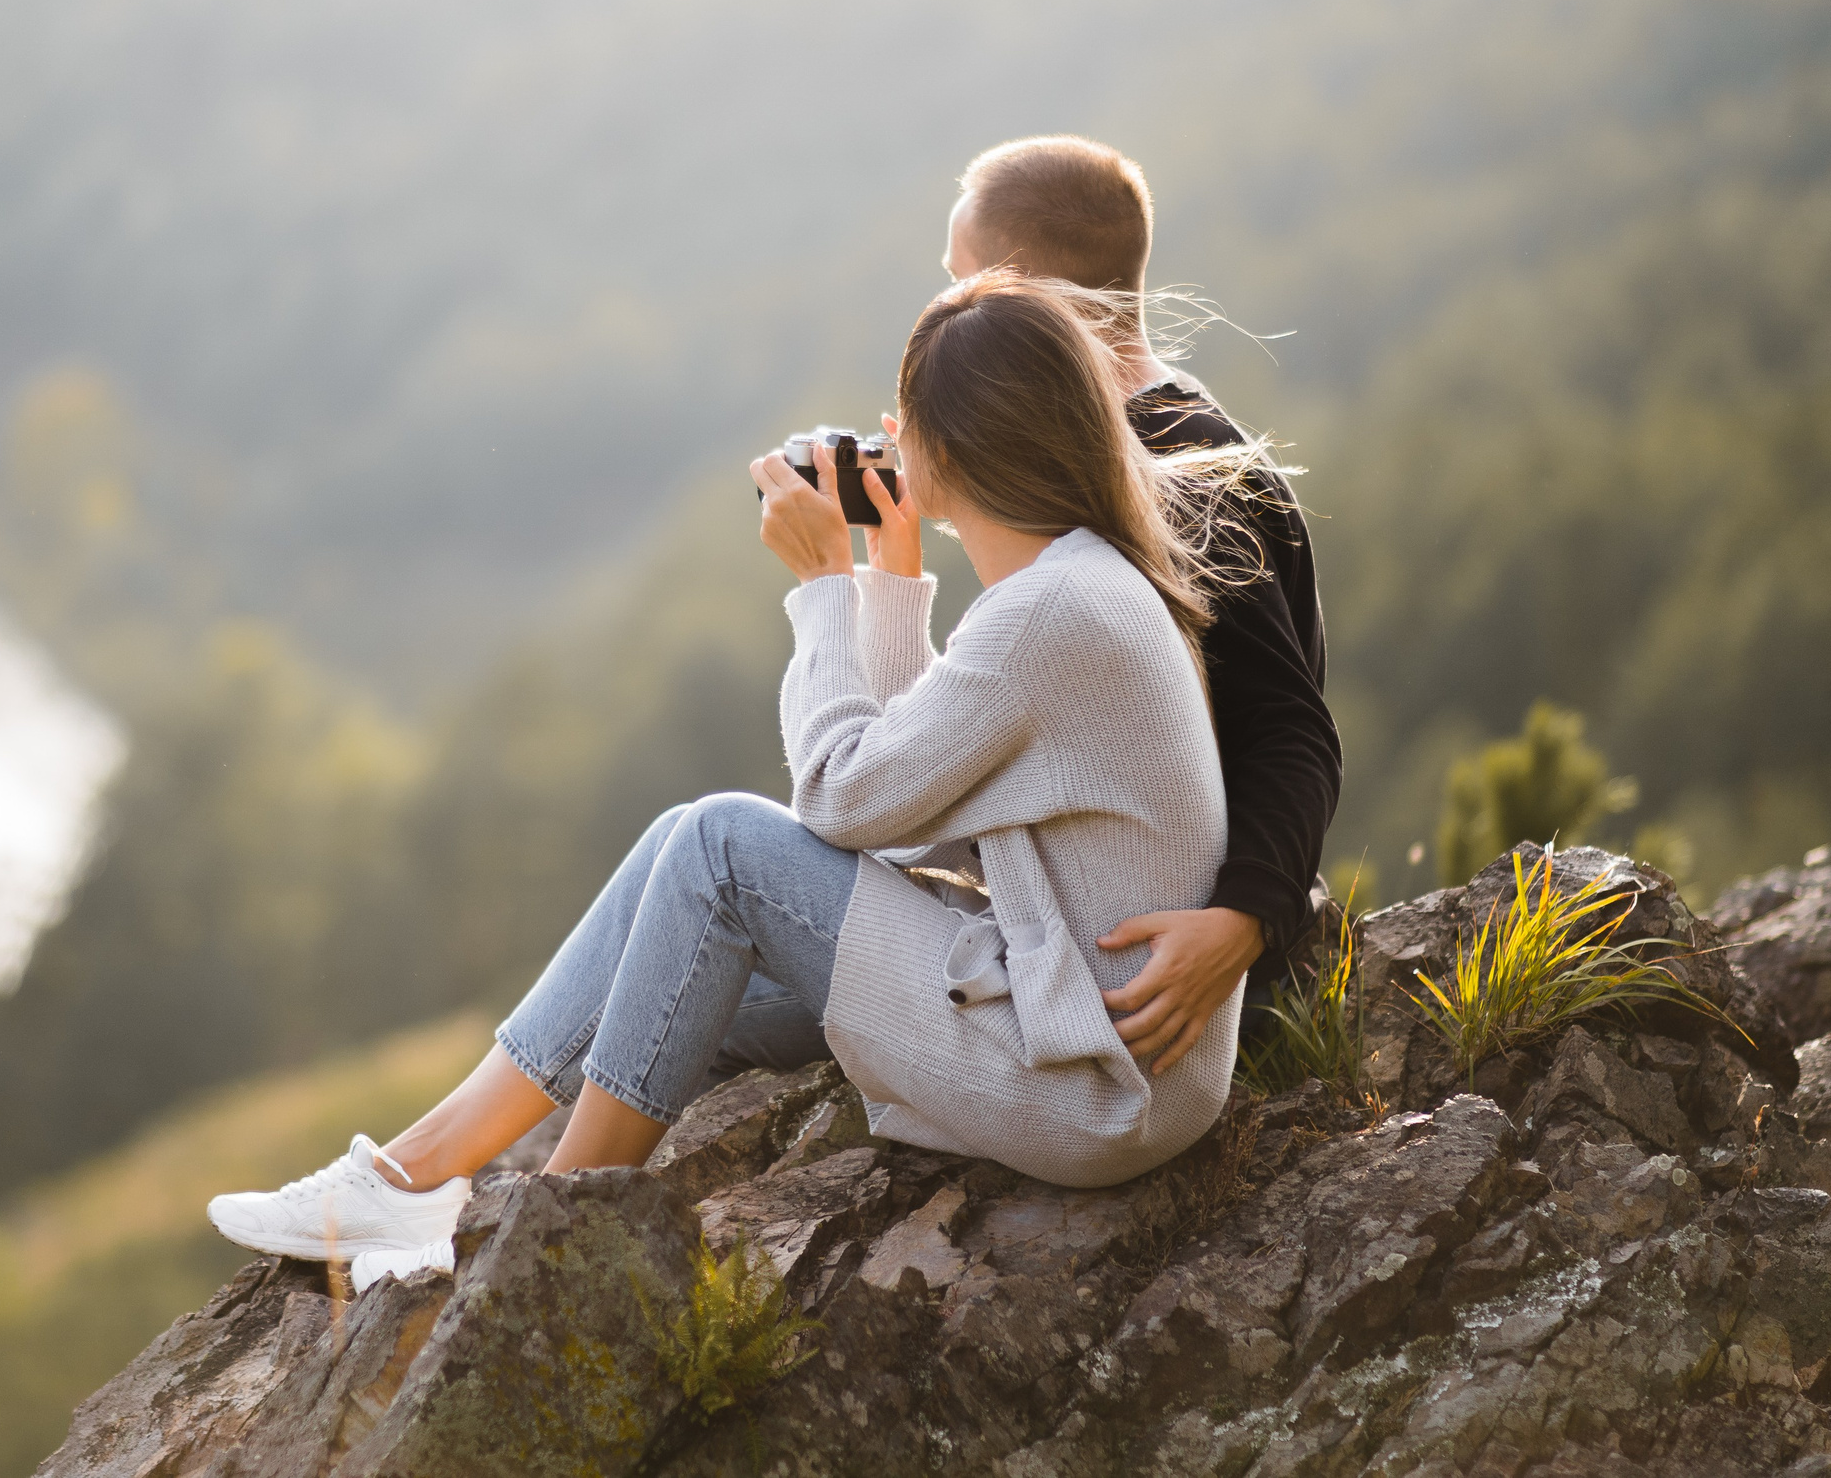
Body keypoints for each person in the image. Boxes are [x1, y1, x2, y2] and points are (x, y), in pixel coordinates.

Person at [205, 271, 1250, 1280]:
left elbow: (839, 797)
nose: (889, 438)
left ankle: (548, 1237)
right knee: (674, 894)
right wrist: (891, 579)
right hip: (1087, 1040)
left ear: (959, 445)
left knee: (718, 849)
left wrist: (825, 590)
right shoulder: (1080, 584)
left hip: (1090, 1087)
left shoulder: (1046, 614)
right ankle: (414, 1174)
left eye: (904, 420)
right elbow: (914, 805)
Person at [941, 134, 1343, 1079]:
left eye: (962, 282)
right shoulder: (1126, 437)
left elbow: (1291, 729)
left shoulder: (1174, 469)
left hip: (1171, 967)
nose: (947, 310)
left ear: (1028, 298)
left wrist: (1239, 923)